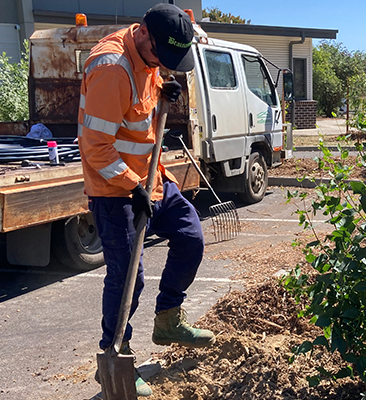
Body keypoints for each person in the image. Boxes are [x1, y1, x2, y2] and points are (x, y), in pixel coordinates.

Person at [78, 4, 214, 396]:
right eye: (161, 57)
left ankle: (168, 320)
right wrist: (133, 186)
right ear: (143, 35)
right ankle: (114, 355)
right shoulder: (110, 68)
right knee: (127, 279)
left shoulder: (147, 55)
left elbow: (140, 98)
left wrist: (160, 87)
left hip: (150, 178)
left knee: (190, 236)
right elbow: (97, 147)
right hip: (114, 187)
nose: (162, 63)